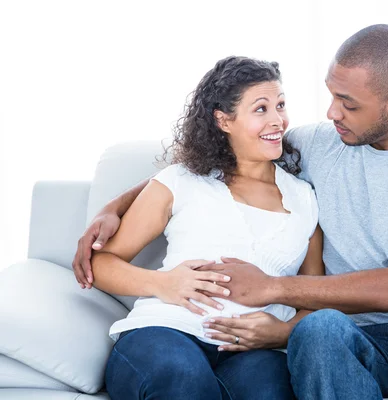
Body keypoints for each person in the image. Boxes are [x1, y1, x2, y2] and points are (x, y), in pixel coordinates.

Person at [75, 25, 388, 399]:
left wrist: (271, 288)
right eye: (331, 96)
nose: (331, 113)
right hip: (350, 342)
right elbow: (218, 156)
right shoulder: (325, 141)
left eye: (347, 103)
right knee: (320, 328)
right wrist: (115, 205)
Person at [87, 56, 323, 400]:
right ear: (224, 120)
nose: (278, 120)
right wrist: (162, 283)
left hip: (253, 351)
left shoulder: (305, 199)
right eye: (261, 109)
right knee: (181, 381)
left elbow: (313, 295)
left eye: (281, 105)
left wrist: (285, 332)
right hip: (167, 331)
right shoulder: (181, 182)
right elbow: (103, 262)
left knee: (269, 392)